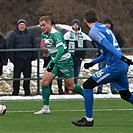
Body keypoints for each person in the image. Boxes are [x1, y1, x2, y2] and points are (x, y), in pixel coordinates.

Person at [71, 9, 133, 127]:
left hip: (116, 66)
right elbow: (106, 52)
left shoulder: (94, 31)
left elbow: (107, 44)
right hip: (120, 65)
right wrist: (93, 62)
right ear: (97, 18)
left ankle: (88, 119)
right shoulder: (104, 28)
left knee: (87, 85)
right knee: (125, 94)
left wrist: (121, 56)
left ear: (84, 20)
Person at [34, 16, 84, 114]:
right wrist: (50, 58)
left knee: (71, 86)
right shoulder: (44, 35)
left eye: (44, 25)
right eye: (41, 26)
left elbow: (61, 50)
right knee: (44, 82)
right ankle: (45, 108)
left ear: (50, 25)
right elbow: (51, 48)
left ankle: (87, 95)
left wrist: (53, 61)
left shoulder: (55, 34)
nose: (42, 27)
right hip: (55, 61)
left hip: (65, 61)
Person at [8, 19, 37, 96]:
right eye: (20, 25)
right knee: (16, 77)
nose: (22, 26)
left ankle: (27, 91)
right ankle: (15, 92)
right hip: (18, 59)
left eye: (23, 25)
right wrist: (12, 58)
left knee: (27, 76)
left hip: (27, 59)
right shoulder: (13, 35)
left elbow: (34, 44)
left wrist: (34, 56)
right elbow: (10, 46)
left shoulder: (30, 34)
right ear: (18, 26)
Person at [96, 17, 124, 94]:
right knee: (101, 72)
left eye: (108, 23)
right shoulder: (99, 32)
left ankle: (113, 89)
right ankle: (99, 89)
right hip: (102, 55)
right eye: (106, 23)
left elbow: (121, 42)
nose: (107, 25)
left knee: (113, 72)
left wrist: (115, 49)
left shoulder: (115, 33)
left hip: (112, 56)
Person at [64, 19, 87, 94]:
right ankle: (67, 89)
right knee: (68, 74)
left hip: (78, 57)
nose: (75, 26)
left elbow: (85, 46)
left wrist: (82, 56)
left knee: (76, 74)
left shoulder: (82, 35)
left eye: (77, 25)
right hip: (70, 57)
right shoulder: (67, 35)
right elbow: (65, 46)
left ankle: (75, 89)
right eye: (74, 25)